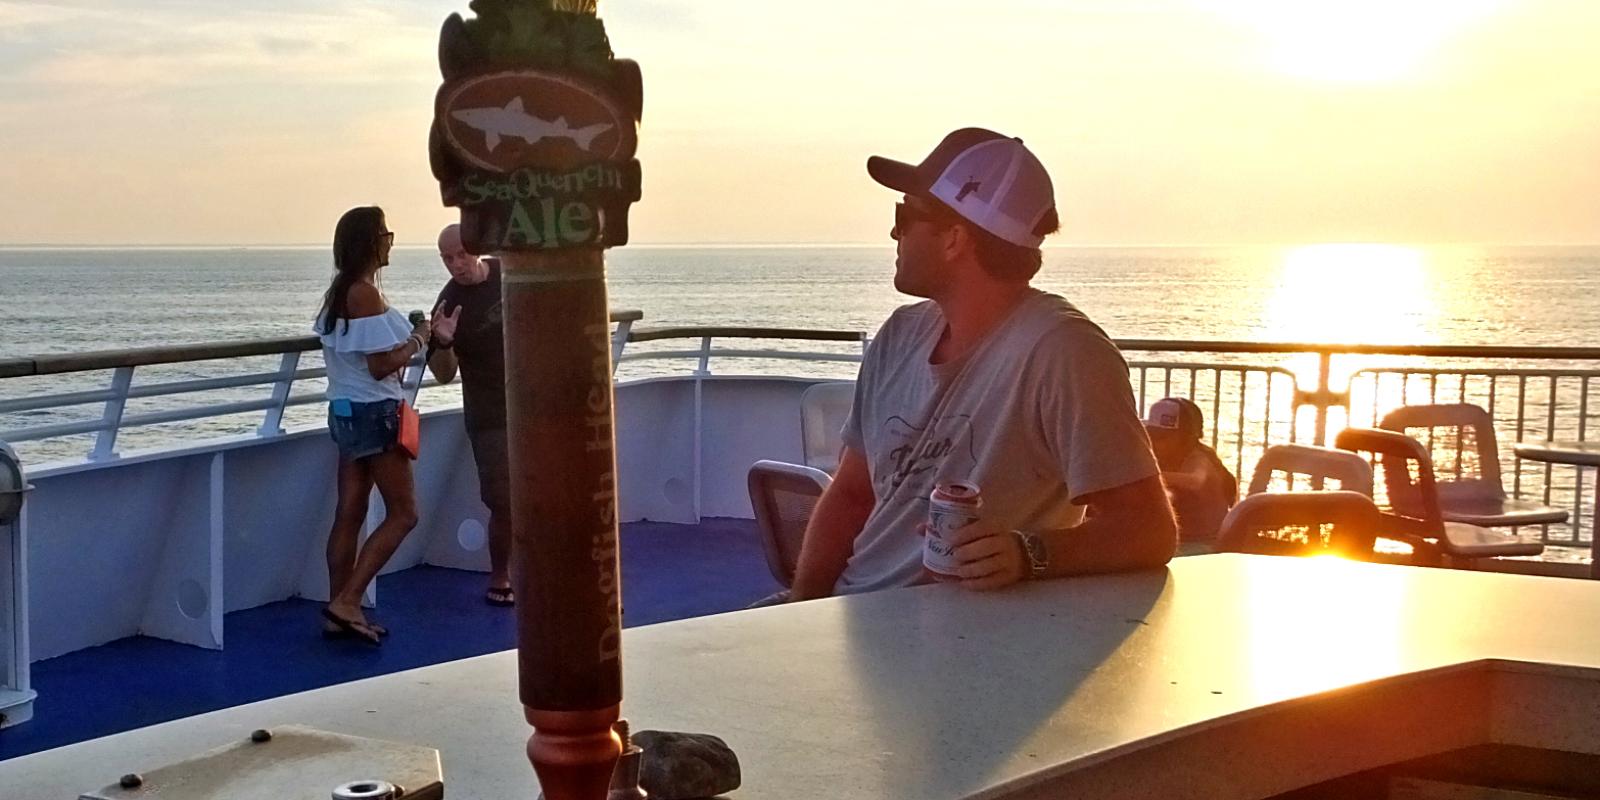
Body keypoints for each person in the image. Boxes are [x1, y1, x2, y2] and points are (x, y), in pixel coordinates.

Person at [788, 128, 1177, 601]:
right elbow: (851, 495)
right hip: (852, 611)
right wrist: (800, 608)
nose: (894, 231)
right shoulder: (899, 335)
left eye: (905, 215)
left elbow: (1148, 529)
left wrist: (1028, 554)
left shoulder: (1065, 353)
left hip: (945, 638)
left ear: (954, 238)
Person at [314, 206, 429, 644]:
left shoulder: (339, 294)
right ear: (370, 242)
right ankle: (348, 600)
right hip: (374, 416)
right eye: (385, 233)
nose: (390, 241)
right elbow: (382, 365)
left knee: (350, 513)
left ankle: (337, 610)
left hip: (345, 413)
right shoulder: (365, 294)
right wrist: (420, 338)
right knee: (405, 513)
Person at [425, 224, 514, 606]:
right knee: (503, 500)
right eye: (447, 258)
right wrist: (442, 340)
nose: (456, 264)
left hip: (533, 407)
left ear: (476, 248)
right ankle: (500, 576)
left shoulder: (507, 270)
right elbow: (443, 374)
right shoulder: (445, 307)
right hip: (488, 413)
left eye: (461, 254)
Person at [1144, 397, 1237, 544]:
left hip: (1208, 543)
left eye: (1163, 437)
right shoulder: (1169, 460)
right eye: (1152, 435)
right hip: (1188, 541)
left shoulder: (1200, 457)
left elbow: (1195, 480)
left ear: (1186, 437)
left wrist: (1146, 475)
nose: (1156, 442)